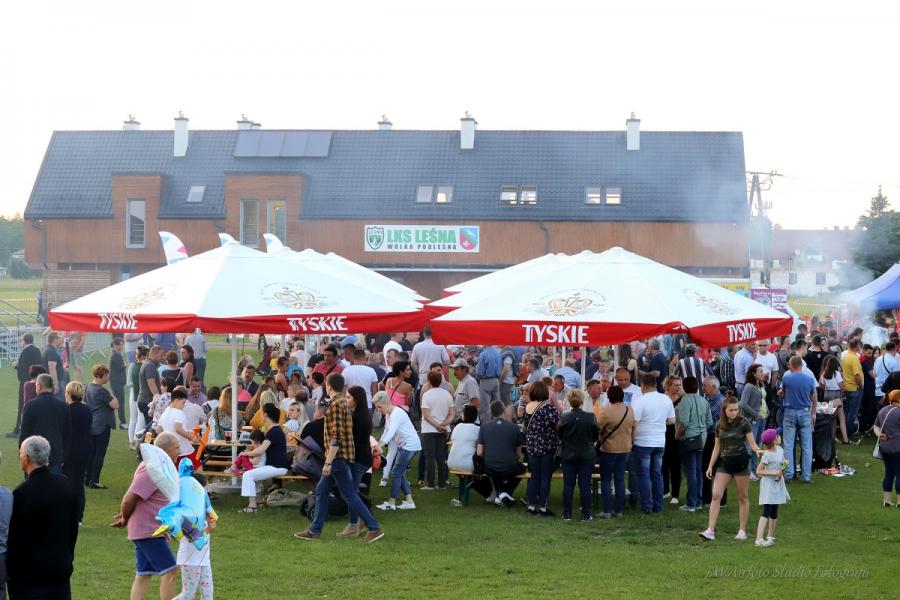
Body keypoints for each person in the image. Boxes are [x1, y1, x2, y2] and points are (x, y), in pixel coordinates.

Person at [295, 376, 384, 543]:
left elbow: (336, 436)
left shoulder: (336, 405)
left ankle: (374, 527)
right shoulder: (343, 404)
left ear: (328, 386)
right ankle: (315, 530)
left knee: (349, 495)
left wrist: (328, 462)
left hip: (337, 459)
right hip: (341, 458)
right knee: (322, 491)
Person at [7, 436, 79, 599]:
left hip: (30, 575)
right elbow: (72, 528)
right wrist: (68, 557)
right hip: (60, 567)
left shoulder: (22, 493)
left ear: (26, 459)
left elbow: (16, 538)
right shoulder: (65, 485)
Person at [113, 432, 181, 599]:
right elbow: (129, 498)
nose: (179, 451)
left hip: (149, 528)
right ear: (165, 450)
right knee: (170, 570)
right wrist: (125, 517)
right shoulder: (151, 469)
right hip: (149, 530)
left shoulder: (160, 467)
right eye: (176, 447)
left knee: (144, 573)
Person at [700, 393, 762, 542]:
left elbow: (752, 443)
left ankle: (742, 530)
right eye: (731, 410)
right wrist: (710, 466)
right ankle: (710, 530)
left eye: (736, 409)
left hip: (741, 463)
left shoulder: (744, 423)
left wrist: (758, 450)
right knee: (716, 495)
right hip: (724, 463)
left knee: (743, 497)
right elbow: (717, 447)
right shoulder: (718, 425)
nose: (734, 412)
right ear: (724, 410)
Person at [631, 374, 675, 514]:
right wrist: (660, 422)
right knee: (657, 474)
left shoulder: (640, 401)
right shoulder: (666, 399)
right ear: (656, 384)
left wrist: (632, 440)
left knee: (644, 475)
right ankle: (659, 505)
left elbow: (635, 423)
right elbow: (672, 420)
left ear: (642, 385)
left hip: (643, 442)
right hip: (660, 441)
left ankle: (647, 506)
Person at [373, 391, 421, 511]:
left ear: (386, 403)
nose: (378, 410)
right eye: (376, 407)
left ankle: (392, 502)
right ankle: (409, 502)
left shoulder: (397, 413)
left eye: (379, 407)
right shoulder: (389, 414)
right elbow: (386, 431)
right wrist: (377, 444)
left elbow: (391, 432)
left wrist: (379, 446)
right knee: (398, 473)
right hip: (405, 445)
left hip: (409, 446)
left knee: (395, 473)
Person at [557, 390, 599, 521]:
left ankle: (567, 513)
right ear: (582, 401)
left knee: (568, 485)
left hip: (568, 455)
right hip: (586, 455)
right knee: (585, 485)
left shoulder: (564, 417)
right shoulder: (590, 417)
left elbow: (560, 435)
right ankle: (586, 514)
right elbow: (595, 435)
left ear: (569, 401)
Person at [239, 403, 290, 513]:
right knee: (253, 474)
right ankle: (258, 501)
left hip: (277, 467)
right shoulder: (275, 429)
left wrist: (246, 454)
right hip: (277, 466)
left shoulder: (273, 431)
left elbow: (260, 450)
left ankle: (252, 506)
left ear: (265, 414)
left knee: (248, 475)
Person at [19, 373, 71, 474]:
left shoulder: (30, 406)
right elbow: (67, 434)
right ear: (52, 386)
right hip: (55, 455)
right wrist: (63, 455)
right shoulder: (63, 406)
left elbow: (24, 433)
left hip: (34, 455)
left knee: (35, 483)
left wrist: (22, 454)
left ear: (38, 386)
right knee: (53, 483)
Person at [476, 400, 526, 506]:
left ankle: (502, 493)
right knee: (522, 468)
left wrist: (489, 457)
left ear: (491, 412)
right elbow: (518, 454)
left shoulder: (484, 427)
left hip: (490, 466)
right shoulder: (514, 427)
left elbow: (479, 452)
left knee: (494, 469)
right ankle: (505, 492)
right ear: (504, 411)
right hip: (509, 465)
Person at [675, 377, 712, 512]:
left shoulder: (685, 400)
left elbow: (684, 422)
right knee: (697, 470)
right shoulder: (703, 400)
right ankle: (698, 501)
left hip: (690, 438)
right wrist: (701, 430)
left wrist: (677, 435)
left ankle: (691, 503)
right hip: (702, 437)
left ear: (684, 387)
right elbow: (709, 422)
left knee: (691, 471)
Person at [596, 386, 634, 518]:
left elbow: (597, 429)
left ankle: (606, 510)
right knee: (620, 480)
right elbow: (634, 428)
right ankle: (619, 510)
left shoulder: (606, 412)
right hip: (625, 448)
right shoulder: (630, 410)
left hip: (608, 449)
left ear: (609, 397)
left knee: (606, 480)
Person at [522, 380, 559, 516]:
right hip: (547, 446)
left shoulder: (527, 408)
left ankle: (531, 505)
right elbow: (557, 425)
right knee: (545, 477)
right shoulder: (548, 408)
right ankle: (543, 507)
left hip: (532, 446)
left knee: (534, 476)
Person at [781, 355, 818, 483]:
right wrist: (814, 412)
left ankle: (789, 474)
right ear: (801, 365)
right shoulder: (810, 379)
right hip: (805, 412)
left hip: (790, 412)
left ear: (791, 365)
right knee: (807, 446)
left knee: (788, 445)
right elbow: (814, 397)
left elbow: (783, 393)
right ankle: (806, 476)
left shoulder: (786, 378)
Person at [83, 364, 119, 490]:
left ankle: (87, 478)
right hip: (102, 425)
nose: (108, 377)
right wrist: (110, 392)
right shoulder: (102, 391)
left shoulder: (88, 387)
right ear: (100, 376)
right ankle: (95, 480)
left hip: (92, 424)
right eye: (106, 375)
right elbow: (115, 405)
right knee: (99, 453)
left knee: (92, 453)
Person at [62, 381, 91, 525]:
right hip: (85, 448)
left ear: (69, 394)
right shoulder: (87, 410)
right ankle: (78, 516)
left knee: (66, 483)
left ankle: (67, 514)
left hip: (70, 450)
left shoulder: (66, 410)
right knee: (79, 483)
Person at [420, 371, 455, 490]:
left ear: (429, 381)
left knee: (430, 457)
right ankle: (442, 483)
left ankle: (430, 483)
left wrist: (437, 425)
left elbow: (426, 415)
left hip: (429, 429)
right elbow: (452, 414)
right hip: (444, 429)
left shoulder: (426, 395)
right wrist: (443, 424)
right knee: (441, 457)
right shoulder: (447, 394)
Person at [754, 428, 790, 547]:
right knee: (767, 510)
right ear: (774, 440)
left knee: (775, 509)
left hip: (777, 484)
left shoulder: (780, 449)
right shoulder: (767, 456)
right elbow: (758, 471)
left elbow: (781, 460)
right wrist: (774, 473)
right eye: (777, 436)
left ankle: (770, 536)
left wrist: (784, 464)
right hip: (769, 485)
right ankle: (758, 539)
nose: (779, 437)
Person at [10, 333, 42, 438]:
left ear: (25, 341)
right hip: (37, 381)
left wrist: (15, 366)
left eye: (21, 341)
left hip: (26, 382)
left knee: (22, 406)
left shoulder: (26, 351)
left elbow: (23, 367)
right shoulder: (37, 350)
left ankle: (18, 429)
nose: (21, 343)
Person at [739, 364, 768, 474]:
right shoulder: (749, 387)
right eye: (760, 371)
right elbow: (742, 404)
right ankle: (747, 470)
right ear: (754, 374)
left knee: (758, 445)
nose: (762, 373)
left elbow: (762, 400)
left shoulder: (761, 385)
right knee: (750, 445)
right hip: (753, 420)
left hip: (762, 419)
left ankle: (755, 469)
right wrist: (755, 414)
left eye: (762, 371)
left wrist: (767, 411)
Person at [874, 390, 900, 507]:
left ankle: (887, 500)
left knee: (889, 473)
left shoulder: (883, 410)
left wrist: (880, 435)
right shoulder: (898, 412)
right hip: (897, 447)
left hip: (884, 448)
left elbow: (876, 426)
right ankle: (899, 501)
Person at [662, 375, 683, 506]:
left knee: (675, 465)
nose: (678, 387)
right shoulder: (662, 399)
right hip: (663, 434)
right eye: (676, 385)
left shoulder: (683, 400)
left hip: (677, 436)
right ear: (668, 386)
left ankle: (675, 494)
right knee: (663, 464)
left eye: (680, 385)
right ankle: (665, 490)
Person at [819, 355, 849, 444]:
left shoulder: (823, 374)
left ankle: (831, 438)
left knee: (831, 418)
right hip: (836, 395)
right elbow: (841, 386)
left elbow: (822, 386)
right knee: (841, 418)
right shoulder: (837, 374)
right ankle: (846, 439)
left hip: (827, 395)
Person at [841, 339, 864, 436]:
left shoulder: (846, 356)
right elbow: (856, 375)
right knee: (853, 412)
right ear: (857, 346)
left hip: (848, 387)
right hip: (855, 388)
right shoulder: (854, 358)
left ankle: (846, 430)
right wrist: (860, 385)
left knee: (848, 411)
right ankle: (850, 431)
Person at [448, 405, 480, 472]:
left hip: (451, 463)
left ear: (464, 415)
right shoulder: (478, 429)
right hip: (469, 465)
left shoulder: (457, 427)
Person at [138, 346, 163, 431]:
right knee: (151, 429)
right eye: (160, 355)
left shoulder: (148, 364)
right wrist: (158, 400)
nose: (161, 358)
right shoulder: (150, 366)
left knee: (150, 427)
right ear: (155, 354)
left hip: (145, 400)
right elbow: (151, 384)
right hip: (148, 401)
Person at [476, 345, 503, 424]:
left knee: (485, 406)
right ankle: (498, 423)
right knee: (497, 405)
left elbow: (479, 372)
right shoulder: (498, 353)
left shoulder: (483, 354)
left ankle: (486, 425)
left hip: (486, 381)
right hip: (496, 380)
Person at [108, 338, 128, 430]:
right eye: (121, 344)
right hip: (117, 382)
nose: (122, 346)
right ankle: (123, 423)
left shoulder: (115, 353)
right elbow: (121, 367)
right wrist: (124, 365)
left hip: (116, 381)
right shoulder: (115, 355)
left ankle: (119, 422)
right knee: (120, 403)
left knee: (118, 402)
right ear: (116, 345)